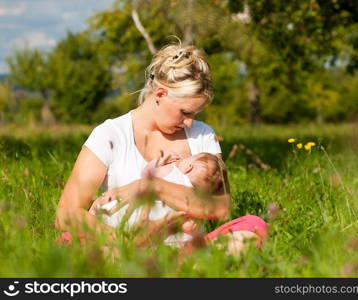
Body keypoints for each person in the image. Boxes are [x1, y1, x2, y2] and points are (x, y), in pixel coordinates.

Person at [55, 41, 267, 254]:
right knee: (70, 240)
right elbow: (66, 214)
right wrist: (125, 240)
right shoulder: (110, 134)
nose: (189, 122)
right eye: (185, 112)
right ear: (160, 94)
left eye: (195, 114)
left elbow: (220, 208)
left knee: (253, 225)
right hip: (122, 245)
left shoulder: (202, 135)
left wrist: (151, 186)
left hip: (184, 248)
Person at [89, 152, 225, 247]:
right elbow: (188, 227)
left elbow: (146, 174)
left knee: (111, 210)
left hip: (132, 218)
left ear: (189, 167)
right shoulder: (194, 199)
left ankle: (95, 216)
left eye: (188, 158)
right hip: (160, 236)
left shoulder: (172, 171)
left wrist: (160, 161)